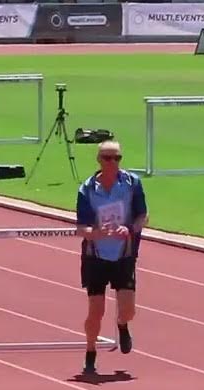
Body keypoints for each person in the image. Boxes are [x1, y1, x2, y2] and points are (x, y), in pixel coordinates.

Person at [74, 140, 148, 375]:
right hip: (95, 255)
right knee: (96, 310)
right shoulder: (86, 189)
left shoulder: (132, 183)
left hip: (123, 254)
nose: (113, 163)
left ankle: (122, 324)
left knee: (128, 310)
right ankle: (90, 351)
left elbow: (143, 216)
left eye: (117, 158)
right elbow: (81, 228)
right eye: (108, 158)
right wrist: (95, 233)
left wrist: (131, 229)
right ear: (99, 160)